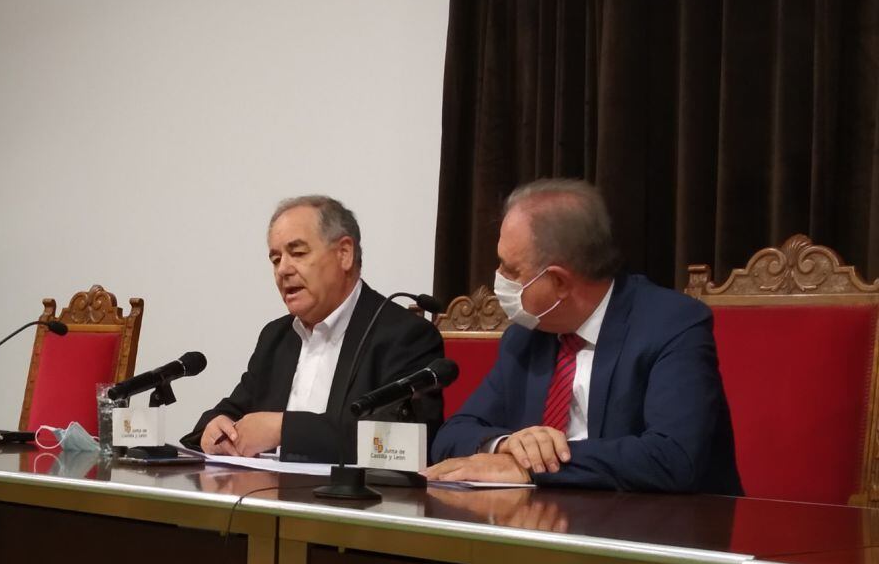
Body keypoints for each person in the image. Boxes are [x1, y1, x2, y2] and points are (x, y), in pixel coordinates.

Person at [425, 179, 742, 494]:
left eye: (511, 270)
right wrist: (506, 445)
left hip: (660, 530)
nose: (499, 279)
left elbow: (673, 458)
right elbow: (452, 434)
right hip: (544, 527)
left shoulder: (670, 324)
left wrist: (535, 466)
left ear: (559, 282)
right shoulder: (524, 338)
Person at [182, 195, 444, 463]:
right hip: (263, 496)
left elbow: (402, 442)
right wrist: (213, 427)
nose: (283, 269)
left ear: (344, 253)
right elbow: (232, 410)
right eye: (275, 259)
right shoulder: (276, 337)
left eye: (297, 253)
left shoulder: (404, 335)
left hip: (351, 503)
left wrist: (283, 430)